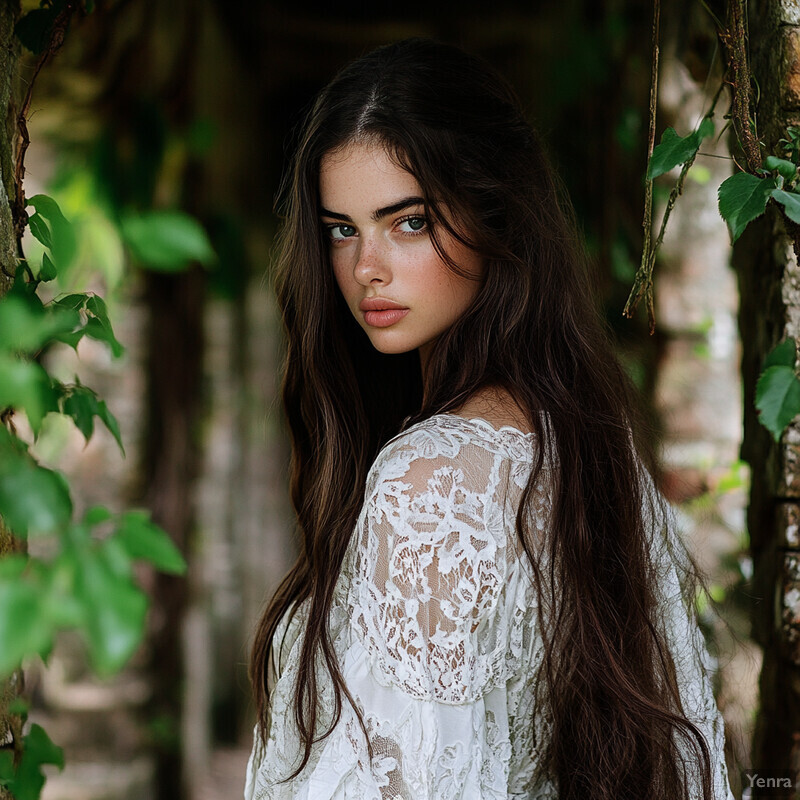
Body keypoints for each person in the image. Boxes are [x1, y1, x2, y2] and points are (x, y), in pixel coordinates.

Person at [244, 38, 735, 800]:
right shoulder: (588, 442)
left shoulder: (428, 482)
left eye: (408, 222)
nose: (365, 265)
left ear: (493, 211)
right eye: (341, 228)